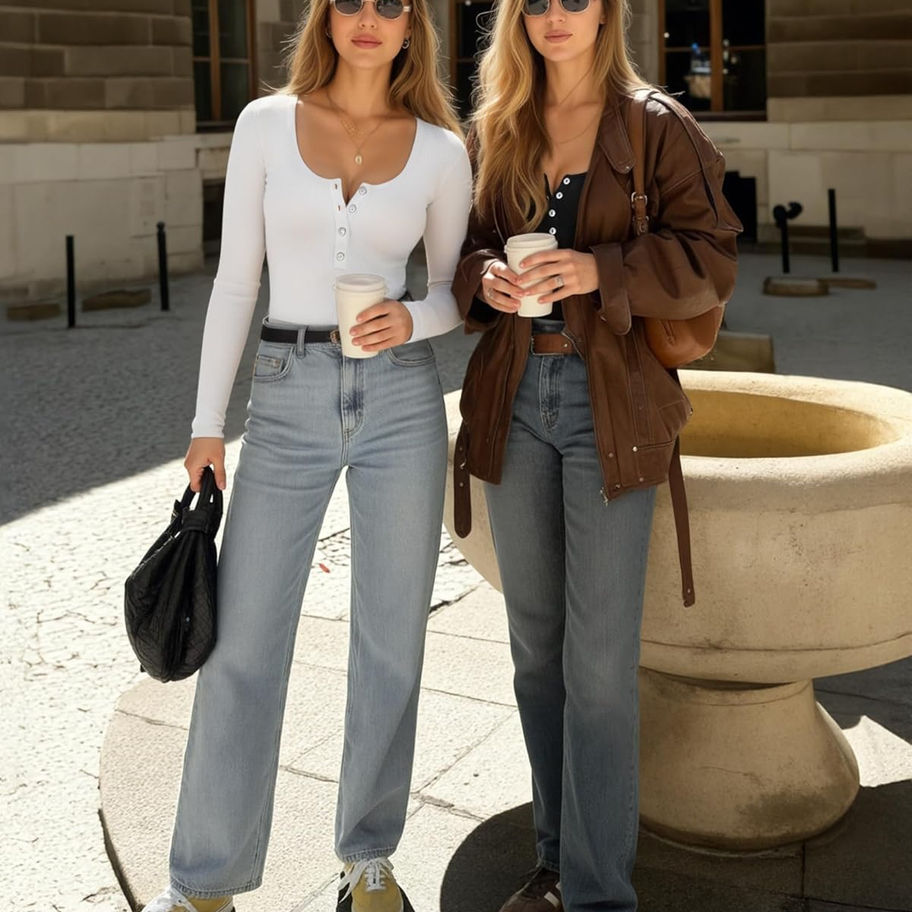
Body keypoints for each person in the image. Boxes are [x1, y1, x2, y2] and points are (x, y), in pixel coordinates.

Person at [140, 0, 471, 909]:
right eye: (351, 1)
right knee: (244, 639)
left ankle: (369, 857)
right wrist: (208, 423)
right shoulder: (264, 123)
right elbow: (235, 281)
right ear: (325, 17)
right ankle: (204, 880)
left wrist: (412, 317)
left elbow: (455, 293)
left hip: (401, 396)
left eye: (390, 4)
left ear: (412, 24)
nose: (369, 18)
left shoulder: (442, 150)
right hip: (284, 394)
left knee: (392, 637)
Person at [451, 0, 741, 909]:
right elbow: (462, 252)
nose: (555, 16)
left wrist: (598, 271)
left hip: (608, 400)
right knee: (536, 653)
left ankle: (599, 892)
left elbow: (714, 256)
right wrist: (486, 278)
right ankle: (555, 862)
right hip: (513, 398)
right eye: (535, 2)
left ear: (607, 11)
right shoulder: (498, 127)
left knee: (600, 665)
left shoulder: (654, 122)